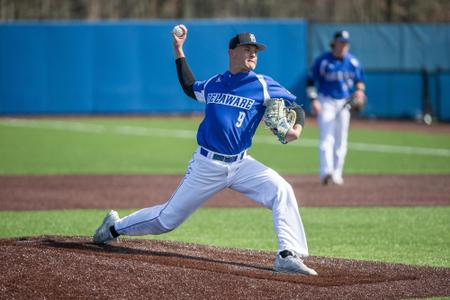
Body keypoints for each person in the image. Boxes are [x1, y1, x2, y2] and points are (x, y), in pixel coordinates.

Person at [93, 25, 317, 276]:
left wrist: (295, 128)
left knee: (281, 190)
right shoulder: (214, 84)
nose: (253, 54)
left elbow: (296, 106)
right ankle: (114, 228)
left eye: (255, 50)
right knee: (167, 220)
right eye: (247, 49)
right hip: (207, 165)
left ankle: (287, 254)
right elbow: (190, 86)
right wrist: (179, 49)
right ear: (232, 52)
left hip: (242, 164)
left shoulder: (263, 84)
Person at [307, 30, 366, 186]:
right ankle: (326, 172)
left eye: (346, 43)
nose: (343, 46)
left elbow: (360, 81)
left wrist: (360, 91)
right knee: (326, 137)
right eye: (341, 42)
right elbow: (311, 82)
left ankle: (337, 174)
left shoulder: (353, 62)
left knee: (341, 140)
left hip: (345, 102)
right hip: (326, 100)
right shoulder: (323, 61)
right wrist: (314, 100)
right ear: (334, 43)